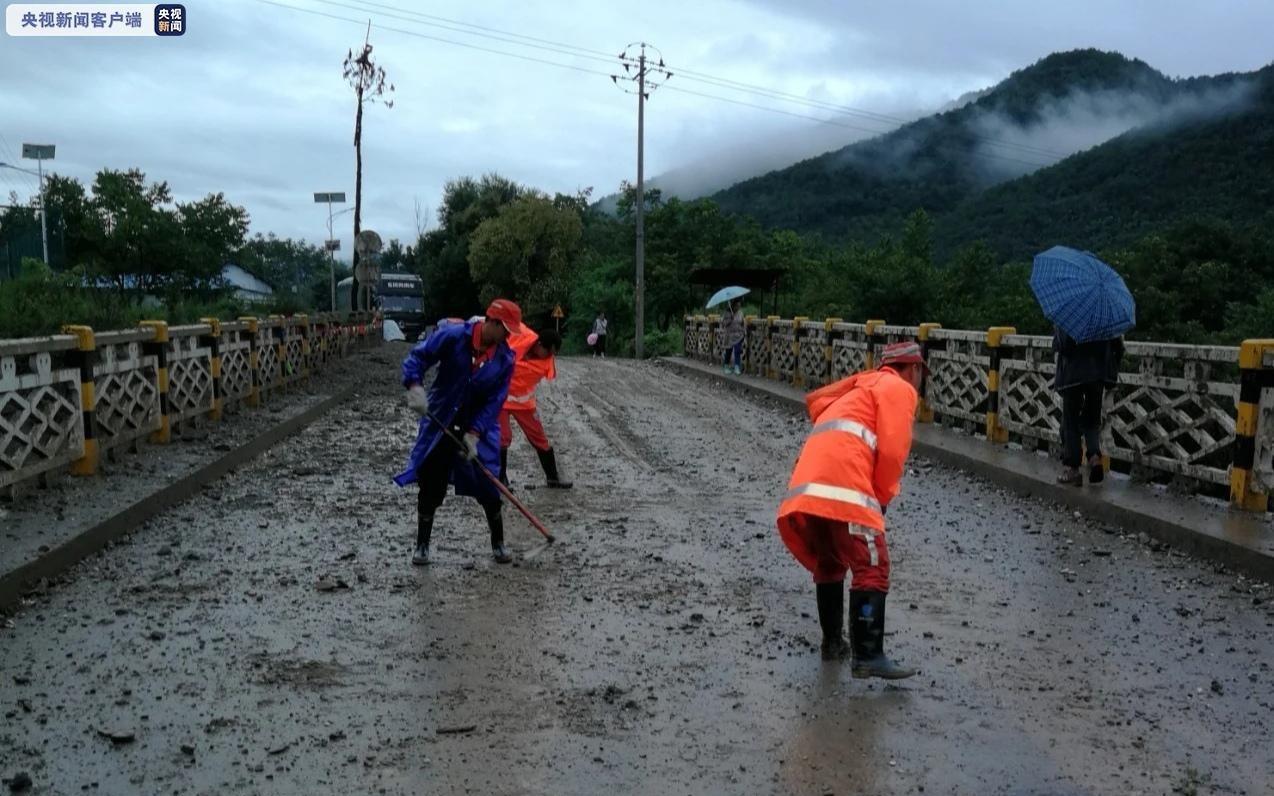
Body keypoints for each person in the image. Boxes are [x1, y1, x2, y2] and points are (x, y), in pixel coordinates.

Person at [776, 341, 926, 679]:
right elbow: (891, 453)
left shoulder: (861, 387)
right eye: (920, 374)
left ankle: (833, 644)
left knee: (830, 560)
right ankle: (868, 656)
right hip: (844, 485)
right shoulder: (897, 389)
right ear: (914, 369)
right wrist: (881, 499)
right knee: (872, 562)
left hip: (811, 486)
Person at [396, 299, 523, 566]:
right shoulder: (454, 337)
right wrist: (414, 386)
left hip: (478, 425)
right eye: (506, 330)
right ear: (492, 322)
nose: (508, 337)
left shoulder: (504, 359)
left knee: (488, 483)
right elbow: (419, 357)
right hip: (442, 416)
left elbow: (495, 401)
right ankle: (422, 545)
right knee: (431, 480)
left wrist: (475, 433)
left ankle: (498, 543)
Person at [500, 327, 573, 489]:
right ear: (539, 344)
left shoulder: (547, 363)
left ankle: (553, 478)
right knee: (503, 437)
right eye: (548, 352)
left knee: (539, 438)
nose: (549, 357)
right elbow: (512, 325)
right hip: (501, 399)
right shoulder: (522, 337)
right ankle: (501, 480)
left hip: (524, 403)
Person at [1053, 327, 1124, 486]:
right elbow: (1118, 347)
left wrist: (1057, 333)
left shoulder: (1070, 316)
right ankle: (1094, 457)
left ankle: (1073, 469)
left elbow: (1064, 345)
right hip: (1097, 375)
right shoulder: (1104, 318)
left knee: (1070, 422)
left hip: (1073, 376)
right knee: (1091, 419)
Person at [720, 299, 745, 375]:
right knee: (729, 351)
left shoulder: (740, 313)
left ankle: (737, 366)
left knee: (737, 350)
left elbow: (742, 322)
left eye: (739, 305)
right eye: (737, 305)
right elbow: (724, 323)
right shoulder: (727, 313)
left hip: (738, 335)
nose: (738, 307)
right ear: (733, 305)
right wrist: (731, 318)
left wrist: (744, 331)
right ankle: (726, 366)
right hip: (729, 335)